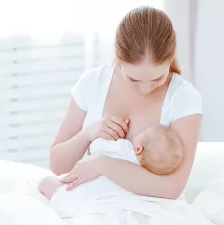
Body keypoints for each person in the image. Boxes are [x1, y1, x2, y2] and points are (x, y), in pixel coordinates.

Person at [49, 6, 203, 202]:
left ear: (170, 58)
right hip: (94, 203)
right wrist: (88, 134)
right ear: (118, 58)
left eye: (157, 79)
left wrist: (101, 165)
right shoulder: (92, 83)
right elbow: (57, 166)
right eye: (134, 79)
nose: (146, 90)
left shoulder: (183, 97)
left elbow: (172, 188)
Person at [38, 124, 183, 201]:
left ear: (139, 148)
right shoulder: (145, 175)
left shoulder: (125, 148)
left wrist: (99, 139)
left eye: (142, 133)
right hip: (104, 198)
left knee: (48, 183)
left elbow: (98, 146)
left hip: (87, 189)